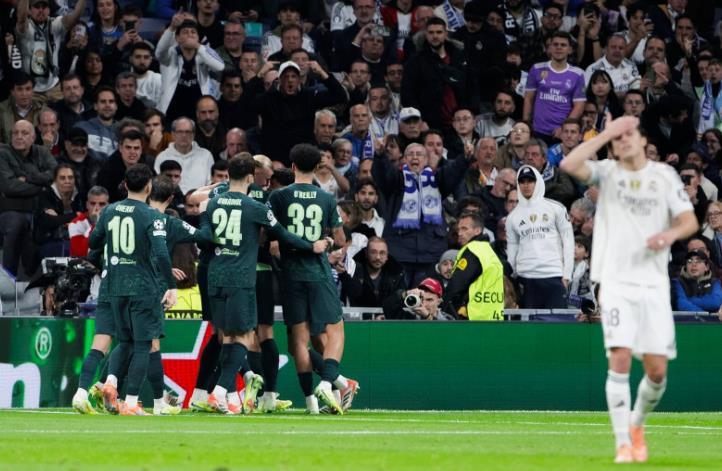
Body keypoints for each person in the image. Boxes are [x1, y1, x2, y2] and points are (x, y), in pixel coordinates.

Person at [560, 114, 698, 463]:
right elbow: (569, 163)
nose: (623, 140)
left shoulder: (663, 176)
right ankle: (623, 443)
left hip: (653, 283)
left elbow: (688, 221)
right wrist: (606, 132)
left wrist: (668, 235)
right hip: (616, 281)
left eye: (628, 134)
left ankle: (636, 424)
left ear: (642, 140)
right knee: (619, 357)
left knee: (657, 372)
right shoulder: (608, 173)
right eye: (617, 138)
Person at [88, 164, 178, 416]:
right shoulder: (151, 215)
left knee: (125, 341)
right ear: (149, 186)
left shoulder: (109, 211)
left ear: (125, 185)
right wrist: (171, 286)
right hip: (143, 286)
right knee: (142, 345)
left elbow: (93, 242)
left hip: (115, 287)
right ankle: (130, 402)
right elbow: (161, 253)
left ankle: (110, 382)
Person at [267, 143, 349, 414]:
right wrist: (328, 242)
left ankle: (310, 402)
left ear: (292, 167)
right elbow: (340, 239)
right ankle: (327, 382)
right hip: (318, 272)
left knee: (299, 341)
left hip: (290, 274)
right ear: (316, 167)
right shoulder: (326, 198)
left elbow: (269, 236)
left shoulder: (278, 197)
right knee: (335, 330)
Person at [373, 142, 471, 287]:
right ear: (404, 159)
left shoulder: (437, 180)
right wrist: (380, 155)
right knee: (399, 296)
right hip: (400, 253)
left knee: (427, 296)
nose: (415, 157)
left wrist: (464, 158)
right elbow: (382, 173)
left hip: (431, 252)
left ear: (426, 160)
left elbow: (452, 173)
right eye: (410, 154)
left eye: (419, 154)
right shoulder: (396, 180)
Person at [506, 165, 574, 309]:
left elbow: (568, 241)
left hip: (554, 275)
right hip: (526, 279)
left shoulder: (556, 208)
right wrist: (514, 277)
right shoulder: (512, 218)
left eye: (530, 181)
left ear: (538, 182)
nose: (526, 185)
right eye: (522, 181)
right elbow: (512, 250)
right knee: (529, 322)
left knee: (557, 320)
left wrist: (567, 275)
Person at [0, 120, 57, 277]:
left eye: (24, 133)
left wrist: (27, 178)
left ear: (33, 137)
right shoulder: (3, 153)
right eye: (15, 133)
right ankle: (8, 279)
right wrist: (41, 187)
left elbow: (55, 174)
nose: (19, 136)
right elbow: (9, 186)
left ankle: (45, 281)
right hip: (8, 212)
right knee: (16, 223)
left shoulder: (42, 152)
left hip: (37, 211)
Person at [401, 17, 466, 131]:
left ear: (445, 34)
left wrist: (470, 112)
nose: (435, 36)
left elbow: (471, 86)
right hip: (430, 124)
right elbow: (408, 94)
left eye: (439, 32)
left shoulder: (459, 57)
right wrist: (419, 119)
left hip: (459, 122)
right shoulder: (415, 62)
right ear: (426, 34)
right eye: (431, 32)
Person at [156, 15, 225, 124]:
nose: (190, 35)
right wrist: (172, 27)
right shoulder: (170, 55)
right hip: (171, 114)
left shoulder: (203, 55)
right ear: (177, 38)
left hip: (198, 116)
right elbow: (159, 52)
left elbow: (220, 66)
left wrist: (198, 46)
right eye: (185, 32)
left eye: (193, 32)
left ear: (198, 37)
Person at [523, 31, 585, 144]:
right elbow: (528, 98)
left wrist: (564, 128)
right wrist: (525, 125)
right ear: (549, 48)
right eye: (555, 44)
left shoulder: (578, 74)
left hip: (561, 133)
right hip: (537, 130)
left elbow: (579, 106)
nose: (559, 48)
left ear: (570, 50)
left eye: (563, 45)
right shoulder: (536, 69)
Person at [15, 0, 86, 97]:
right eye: (37, 7)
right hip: (31, 90)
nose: (41, 10)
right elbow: (21, 18)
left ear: (49, 10)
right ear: (30, 10)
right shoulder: (26, 27)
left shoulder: (55, 24)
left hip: (54, 88)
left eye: (44, 7)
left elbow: (75, 17)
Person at [444, 211, 505, 321]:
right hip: (493, 316)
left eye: (464, 229)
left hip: (472, 317)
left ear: (478, 230)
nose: (460, 233)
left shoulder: (472, 250)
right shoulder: (489, 251)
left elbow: (457, 284)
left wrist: (443, 307)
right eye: (458, 229)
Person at [34, 163, 83, 258]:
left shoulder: (80, 194)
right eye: (62, 178)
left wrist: (60, 219)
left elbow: (86, 219)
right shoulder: (45, 194)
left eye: (70, 177)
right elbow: (49, 221)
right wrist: (75, 215)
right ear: (55, 180)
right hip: (49, 240)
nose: (67, 181)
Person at [154, 118, 214, 194]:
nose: (184, 135)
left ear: (193, 134)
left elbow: (211, 184)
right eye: (180, 132)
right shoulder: (162, 157)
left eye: (188, 132)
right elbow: (158, 185)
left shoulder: (206, 156)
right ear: (173, 134)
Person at [75, 86, 119, 161]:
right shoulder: (81, 128)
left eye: (111, 101)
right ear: (95, 106)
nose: (107, 105)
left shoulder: (123, 131)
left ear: (116, 106)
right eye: (103, 101)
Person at [382, 276, 455, 320]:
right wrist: (405, 293)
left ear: (439, 301)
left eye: (429, 300)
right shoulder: (409, 316)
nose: (424, 304)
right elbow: (388, 308)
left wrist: (428, 317)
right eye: (421, 298)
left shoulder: (448, 319)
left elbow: (443, 336)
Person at [0, 73, 44, 144]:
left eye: (28, 89)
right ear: (12, 92)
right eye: (19, 89)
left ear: (33, 91)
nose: (24, 94)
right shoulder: (1, 110)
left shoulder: (44, 111)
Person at [68, 186, 109, 257]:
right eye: (93, 204)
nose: (97, 208)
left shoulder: (114, 220)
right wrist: (95, 225)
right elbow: (78, 255)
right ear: (87, 205)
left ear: (108, 206)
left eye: (102, 204)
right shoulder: (75, 224)